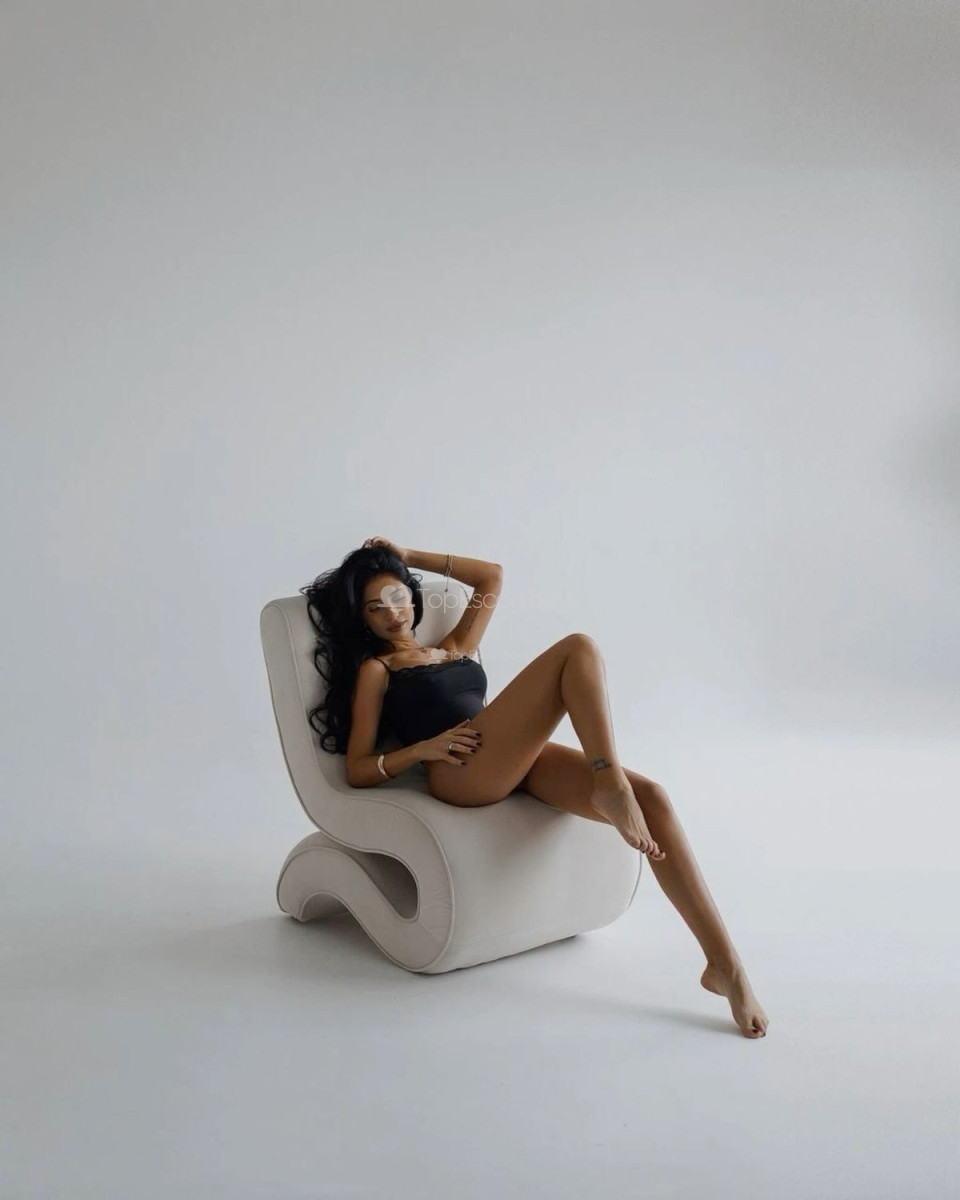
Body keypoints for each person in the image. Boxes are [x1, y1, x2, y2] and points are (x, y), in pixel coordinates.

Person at [300, 538, 769, 1039]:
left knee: (652, 798)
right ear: (363, 620)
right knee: (577, 648)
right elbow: (358, 769)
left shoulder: (455, 646)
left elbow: (491, 577)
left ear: (411, 594)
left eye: (397, 597)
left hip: (509, 758)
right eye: (375, 608)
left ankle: (725, 966)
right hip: (462, 774)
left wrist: (406, 556)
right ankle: (608, 781)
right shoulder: (378, 671)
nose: (393, 614)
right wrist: (420, 751)